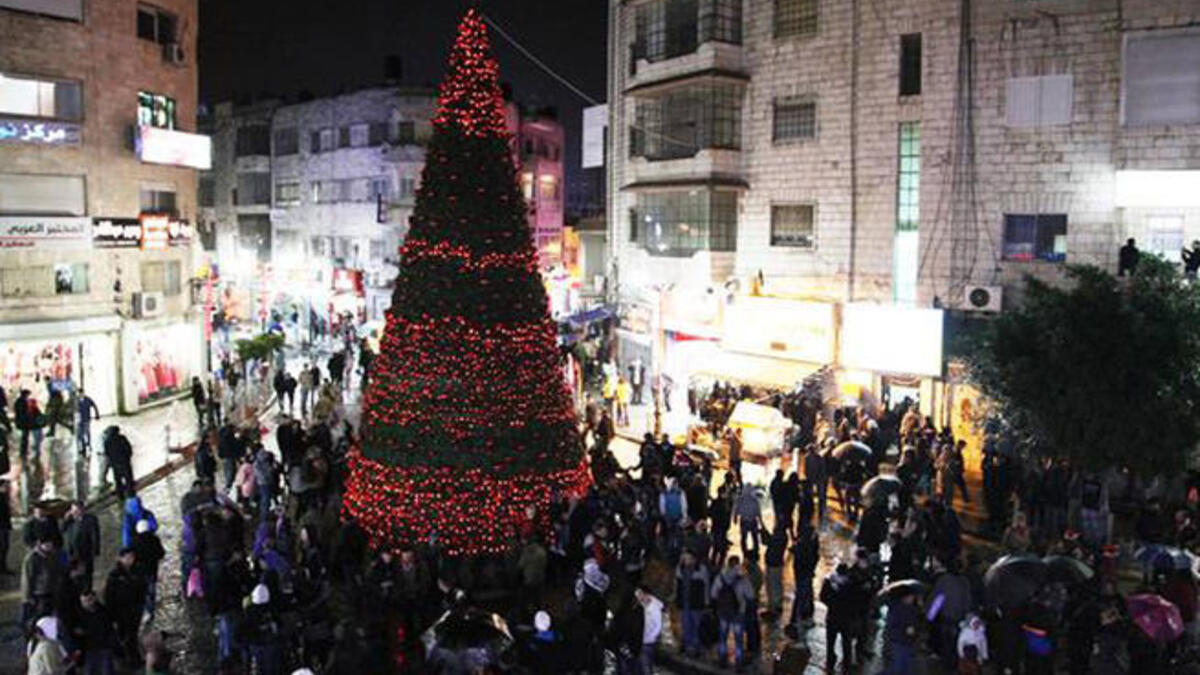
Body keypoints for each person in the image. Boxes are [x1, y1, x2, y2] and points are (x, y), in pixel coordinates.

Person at [711, 555, 753, 669]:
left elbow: (713, 593)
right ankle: (738, 662)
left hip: (723, 611)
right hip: (739, 612)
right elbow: (750, 595)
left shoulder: (721, 577)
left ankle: (722, 659)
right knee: (739, 639)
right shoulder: (743, 578)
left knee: (723, 636)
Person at [103, 548, 144, 666]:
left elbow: (142, 588)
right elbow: (109, 596)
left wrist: (140, 606)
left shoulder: (138, 571)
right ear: (121, 558)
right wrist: (111, 615)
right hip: (121, 612)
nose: (130, 560)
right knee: (123, 636)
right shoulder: (114, 575)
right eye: (127, 557)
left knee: (132, 635)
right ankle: (125, 658)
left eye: (132, 557)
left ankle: (133, 658)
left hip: (134, 610)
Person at [21, 538, 64, 629]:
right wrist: (27, 597)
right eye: (47, 545)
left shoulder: (53, 556)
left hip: (52, 592)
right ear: (40, 544)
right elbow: (28, 579)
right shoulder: (32, 558)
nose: (49, 547)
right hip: (39, 594)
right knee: (38, 619)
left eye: (50, 544)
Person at [74, 588, 118, 675]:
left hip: (104, 647)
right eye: (84, 602)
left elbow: (109, 628)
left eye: (88, 600)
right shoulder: (80, 614)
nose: (86, 604)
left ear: (94, 599)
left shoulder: (104, 612)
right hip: (89, 648)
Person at [674, 550, 709, 657]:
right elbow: (676, 586)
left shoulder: (701, 570)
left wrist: (706, 601)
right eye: (684, 559)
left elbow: (706, 586)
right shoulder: (680, 569)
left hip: (696, 602)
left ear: (694, 559)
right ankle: (688, 645)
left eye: (688, 558)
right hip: (685, 602)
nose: (686, 561)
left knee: (696, 625)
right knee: (686, 624)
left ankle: (695, 646)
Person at [132, 519, 165, 621]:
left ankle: (147, 610)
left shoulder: (135, 541)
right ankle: (151, 609)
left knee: (143, 591)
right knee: (152, 589)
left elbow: (133, 558)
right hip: (152, 569)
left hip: (141, 571)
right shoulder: (155, 539)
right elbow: (161, 553)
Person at [62, 500, 100, 588]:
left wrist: (94, 551)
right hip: (71, 553)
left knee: (86, 575)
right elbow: (62, 530)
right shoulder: (70, 520)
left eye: (77, 510)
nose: (75, 513)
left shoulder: (90, 519)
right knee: (72, 576)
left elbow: (94, 536)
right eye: (73, 510)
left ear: (82, 510)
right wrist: (66, 519)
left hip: (85, 552)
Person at [636, 585, 663, 674]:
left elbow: (657, 625)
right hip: (642, 640)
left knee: (646, 666)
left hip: (648, 642)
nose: (638, 597)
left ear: (646, 594)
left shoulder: (654, 607)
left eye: (640, 594)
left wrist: (650, 638)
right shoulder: (642, 605)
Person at [102, 427, 134, 500]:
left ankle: (120, 496)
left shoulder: (107, 441)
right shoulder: (122, 438)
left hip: (115, 464)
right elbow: (129, 449)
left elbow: (107, 453)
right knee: (128, 480)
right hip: (125, 462)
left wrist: (111, 462)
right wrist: (127, 458)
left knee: (118, 481)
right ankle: (130, 495)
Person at [734, 482, 762, 556]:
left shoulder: (740, 499)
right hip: (753, 520)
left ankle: (745, 551)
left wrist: (735, 517)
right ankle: (756, 550)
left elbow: (736, 509)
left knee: (744, 537)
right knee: (754, 537)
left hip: (744, 520)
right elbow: (758, 511)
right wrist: (761, 521)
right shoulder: (754, 499)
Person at [75, 389, 100, 458]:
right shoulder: (76, 400)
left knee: (86, 432)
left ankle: (88, 444)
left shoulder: (88, 399)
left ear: (83, 393)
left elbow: (94, 405)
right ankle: (82, 448)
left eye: (81, 393)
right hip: (79, 420)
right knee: (80, 434)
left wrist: (97, 414)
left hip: (86, 419)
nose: (80, 395)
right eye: (79, 394)